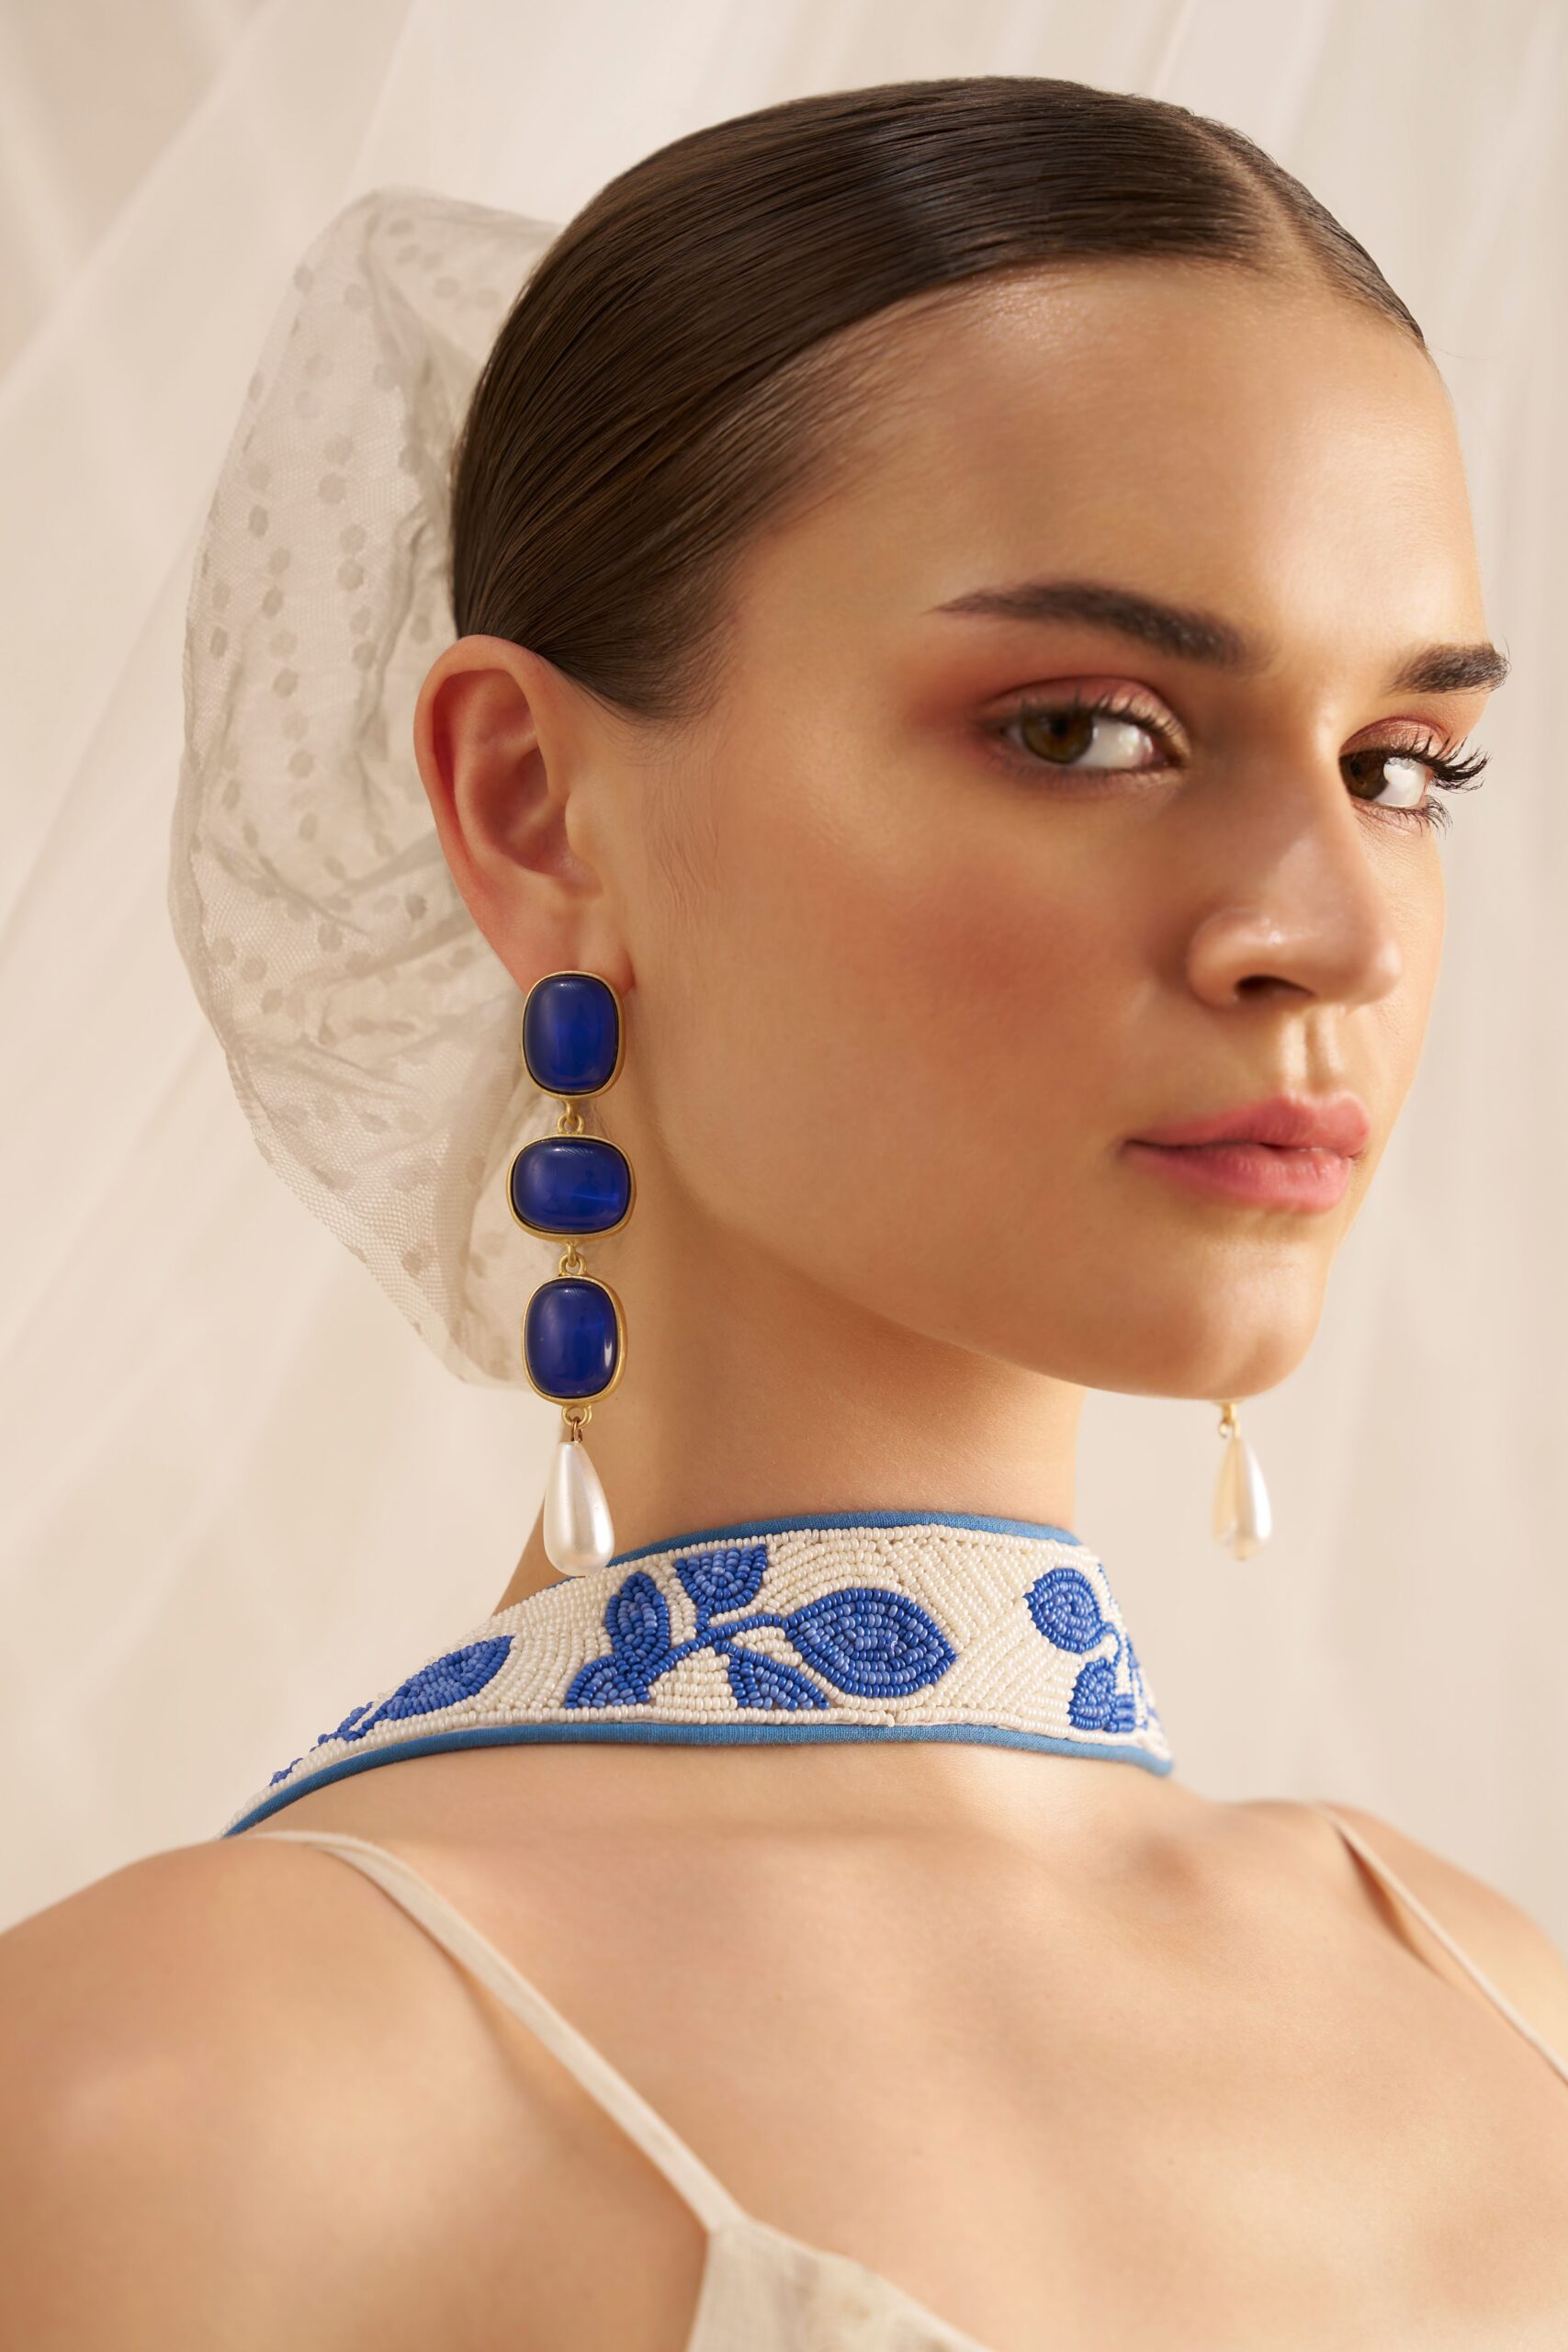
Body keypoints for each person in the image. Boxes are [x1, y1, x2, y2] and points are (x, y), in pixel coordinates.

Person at [4, 74, 1566, 2351]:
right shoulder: (184, 2090)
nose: (1322, 924)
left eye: (1399, 765)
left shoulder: (1490, 1999)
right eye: (1083, 728)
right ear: (531, 807)